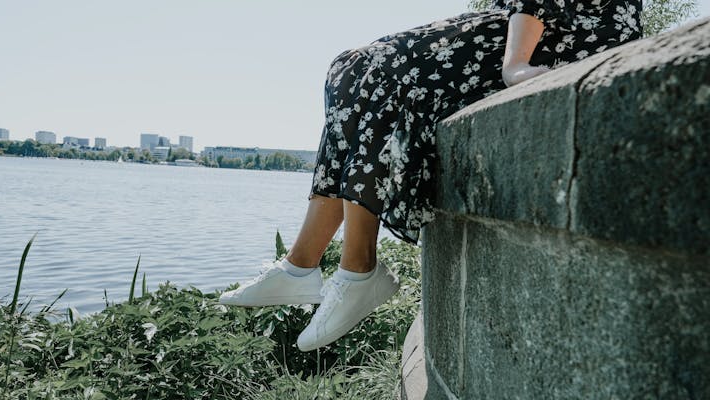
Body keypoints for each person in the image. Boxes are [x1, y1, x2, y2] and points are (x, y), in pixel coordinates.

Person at [220, 0, 642, 351]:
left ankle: (352, 270)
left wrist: (516, 62)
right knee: (351, 68)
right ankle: (304, 266)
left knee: (375, 70)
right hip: (528, 26)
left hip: (562, 33)